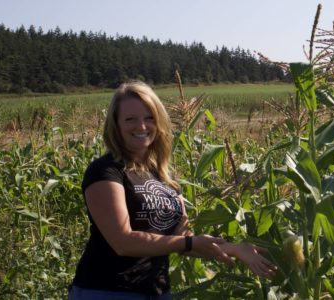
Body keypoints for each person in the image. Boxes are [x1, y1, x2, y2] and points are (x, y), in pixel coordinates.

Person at [69, 81, 276, 299]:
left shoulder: (165, 176)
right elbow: (123, 242)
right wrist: (188, 242)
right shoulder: (106, 170)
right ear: (116, 125)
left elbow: (183, 238)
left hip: (157, 291)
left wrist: (235, 248)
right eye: (130, 119)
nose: (141, 126)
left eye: (149, 118)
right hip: (107, 290)